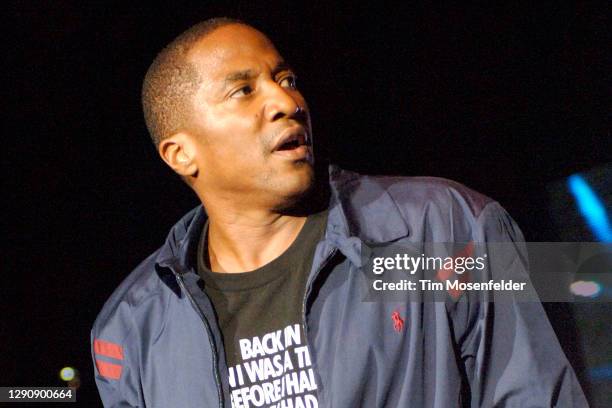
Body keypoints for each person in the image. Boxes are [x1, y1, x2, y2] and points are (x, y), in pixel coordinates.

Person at [91, 18, 588, 407]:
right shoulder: (132, 328)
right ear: (181, 154)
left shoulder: (444, 227)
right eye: (244, 90)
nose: (286, 100)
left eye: (285, 78)